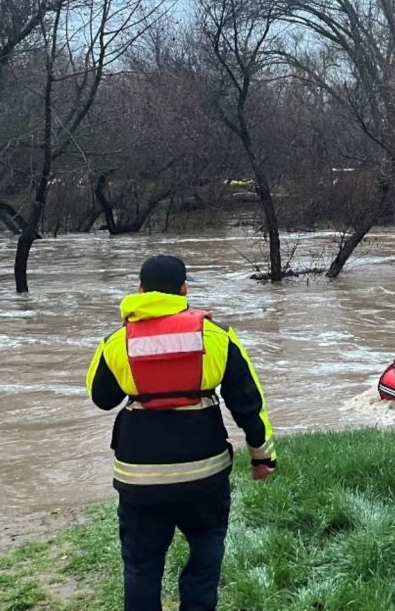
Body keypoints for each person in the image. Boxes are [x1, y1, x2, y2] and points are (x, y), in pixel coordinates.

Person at [86, 254, 277, 611]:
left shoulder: (116, 341)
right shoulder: (216, 336)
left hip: (139, 478)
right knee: (206, 552)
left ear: (140, 290)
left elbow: (101, 398)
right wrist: (262, 457)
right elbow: (248, 402)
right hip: (204, 475)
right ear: (184, 289)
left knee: (142, 566)